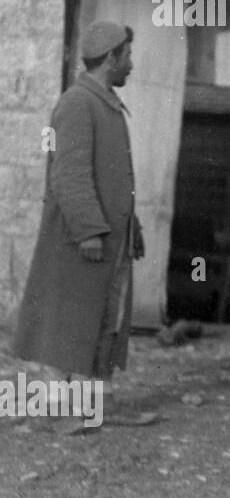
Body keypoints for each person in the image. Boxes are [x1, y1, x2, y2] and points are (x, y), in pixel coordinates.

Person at [15, 21, 155, 427]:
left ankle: (87, 409)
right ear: (110, 58)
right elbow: (69, 174)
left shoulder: (104, 102)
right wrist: (89, 230)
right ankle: (56, 414)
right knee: (66, 324)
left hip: (105, 239)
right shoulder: (77, 103)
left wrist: (135, 229)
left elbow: (115, 179)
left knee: (99, 321)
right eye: (127, 56)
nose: (131, 64)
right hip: (79, 239)